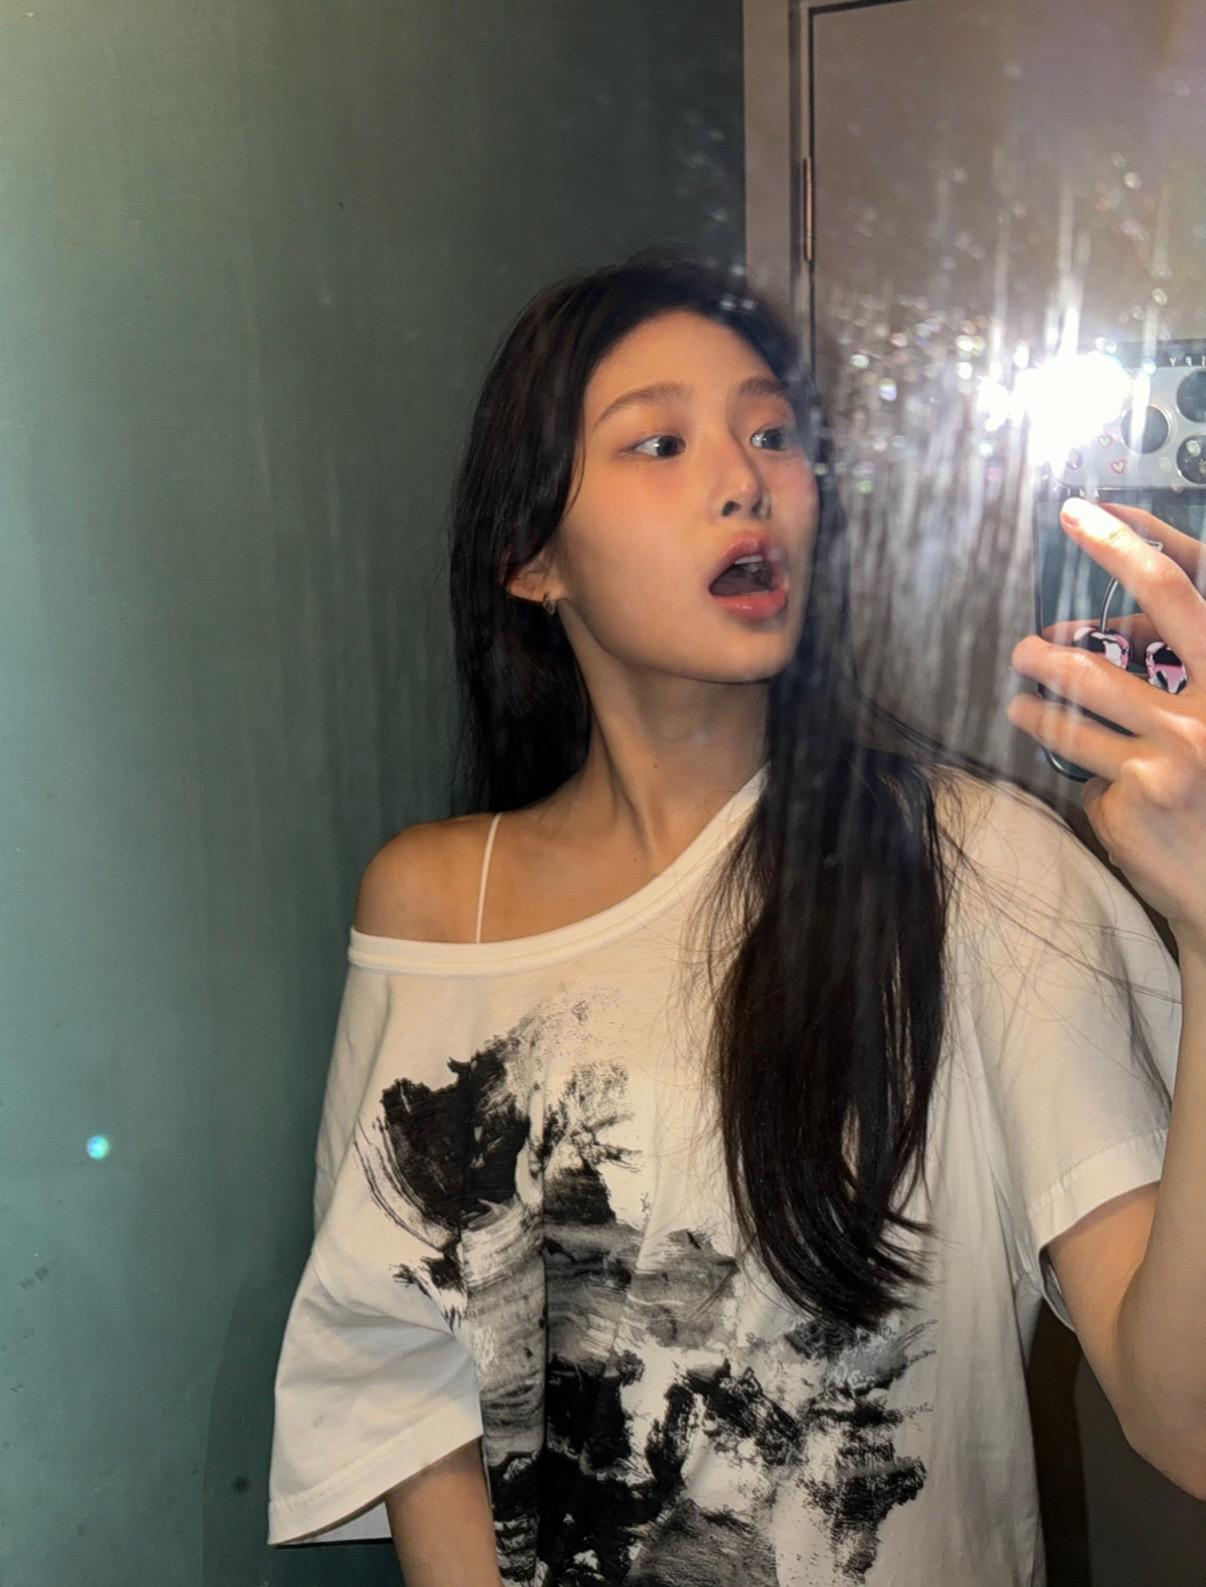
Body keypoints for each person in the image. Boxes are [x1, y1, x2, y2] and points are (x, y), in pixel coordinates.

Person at [267, 252, 1196, 1586]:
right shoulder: (432, 900)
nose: (745, 480)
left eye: (772, 435)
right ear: (532, 560)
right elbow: (413, 1398)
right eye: (660, 443)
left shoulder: (980, 869)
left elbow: (1185, 1419)